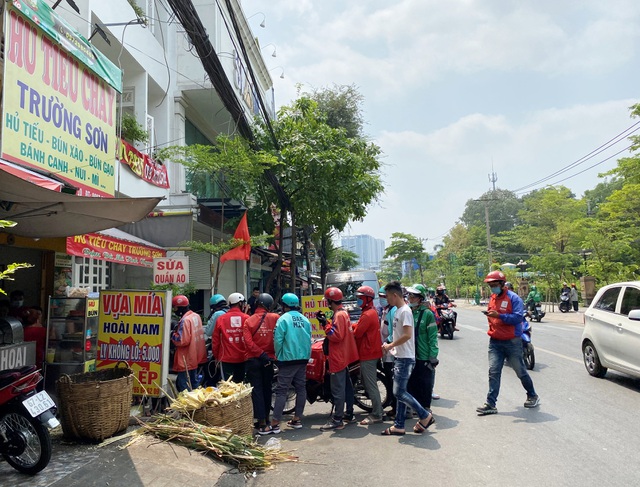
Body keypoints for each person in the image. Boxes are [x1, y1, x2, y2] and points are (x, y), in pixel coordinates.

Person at [477, 270, 540, 415]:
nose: (492, 287)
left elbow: (518, 317)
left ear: (502, 284)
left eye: (494, 284)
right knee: (493, 372)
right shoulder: (492, 298)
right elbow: (492, 316)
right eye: (490, 285)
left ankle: (532, 395)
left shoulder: (514, 298)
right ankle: (490, 404)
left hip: (512, 342)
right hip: (495, 342)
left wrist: (499, 316)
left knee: (520, 371)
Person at [380, 280, 434, 436]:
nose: (387, 299)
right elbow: (398, 335)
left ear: (395, 295)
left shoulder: (405, 311)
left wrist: (390, 346)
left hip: (405, 358)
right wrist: (390, 344)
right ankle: (399, 425)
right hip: (400, 356)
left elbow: (407, 335)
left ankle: (424, 415)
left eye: (388, 296)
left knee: (399, 393)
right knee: (402, 392)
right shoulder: (398, 311)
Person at [316, 287, 359, 431]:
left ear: (330, 301)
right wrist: (326, 322)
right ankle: (349, 414)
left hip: (338, 357)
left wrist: (324, 325)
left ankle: (337, 419)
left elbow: (336, 335)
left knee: (338, 390)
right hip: (343, 356)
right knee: (347, 387)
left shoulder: (339, 315)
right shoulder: (342, 313)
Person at [270, 293, 312, 434]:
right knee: (301, 388)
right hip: (303, 359)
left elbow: (277, 340)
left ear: (284, 305)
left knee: (282, 390)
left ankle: (275, 422)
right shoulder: (305, 320)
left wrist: (278, 355)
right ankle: (297, 419)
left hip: (287, 359)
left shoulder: (283, 319)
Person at [243, 293, 279, 434]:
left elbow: (248, 343)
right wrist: (268, 355)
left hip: (253, 360)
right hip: (269, 360)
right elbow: (280, 337)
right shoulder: (276, 318)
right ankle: (268, 421)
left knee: (257, 390)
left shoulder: (249, 321)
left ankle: (262, 423)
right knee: (267, 389)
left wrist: (260, 354)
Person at [351, 285, 383, 425]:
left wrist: (352, 328)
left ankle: (377, 414)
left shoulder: (368, 314)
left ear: (367, 299)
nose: (358, 300)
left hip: (368, 353)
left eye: (360, 298)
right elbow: (359, 328)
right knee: (368, 382)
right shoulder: (370, 312)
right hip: (371, 352)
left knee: (371, 385)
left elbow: (357, 333)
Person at [406, 284, 439, 413]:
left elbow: (433, 337)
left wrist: (433, 356)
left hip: (424, 354)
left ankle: (425, 409)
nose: (410, 298)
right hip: (410, 353)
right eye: (409, 296)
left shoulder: (427, 314)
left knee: (425, 383)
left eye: (413, 296)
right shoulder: (407, 311)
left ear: (420, 298)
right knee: (412, 382)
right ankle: (415, 407)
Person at [170, 295, 207, 392]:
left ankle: (188, 407)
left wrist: (172, 335)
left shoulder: (185, 320)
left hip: (185, 359)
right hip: (194, 357)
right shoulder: (196, 316)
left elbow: (182, 340)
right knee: (194, 385)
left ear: (180, 307)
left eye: (175, 307)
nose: (174, 310)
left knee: (184, 388)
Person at [213, 292, 249, 383]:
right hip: (243, 358)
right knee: (241, 386)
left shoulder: (221, 319)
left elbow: (215, 341)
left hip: (225, 358)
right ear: (240, 303)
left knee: (226, 386)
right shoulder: (247, 318)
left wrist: (216, 357)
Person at [379, 286, 397, 418]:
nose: (382, 300)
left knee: (394, 382)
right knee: (390, 381)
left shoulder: (394, 311)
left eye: (384, 297)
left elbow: (394, 332)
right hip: (386, 350)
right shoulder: (386, 310)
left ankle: (397, 409)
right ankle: (394, 407)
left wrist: (387, 343)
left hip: (392, 351)